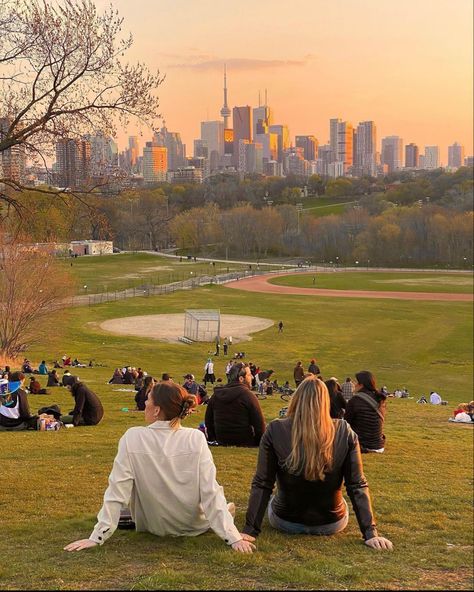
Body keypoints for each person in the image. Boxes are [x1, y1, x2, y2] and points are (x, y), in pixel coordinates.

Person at [64, 382, 255, 554]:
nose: (145, 403)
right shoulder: (195, 438)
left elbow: (117, 491)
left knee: (225, 506)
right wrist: (233, 535)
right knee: (227, 506)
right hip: (192, 526)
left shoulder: (133, 437)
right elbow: (210, 492)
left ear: (157, 410)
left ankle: (224, 520)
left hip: (154, 526)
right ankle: (224, 519)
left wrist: (97, 537)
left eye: (148, 399)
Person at [241, 376, 393, 551]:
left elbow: (263, 482)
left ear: (296, 399)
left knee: (275, 496)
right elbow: (357, 484)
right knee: (339, 498)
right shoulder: (344, 430)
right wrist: (370, 532)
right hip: (331, 523)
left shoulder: (276, 429)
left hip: (285, 521)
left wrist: (250, 530)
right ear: (326, 401)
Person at [205, 362, 266, 447]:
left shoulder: (216, 395)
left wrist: (213, 439)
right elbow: (260, 425)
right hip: (246, 442)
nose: (252, 377)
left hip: (221, 440)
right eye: (249, 375)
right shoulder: (248, 396)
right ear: (241, 378)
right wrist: (258, 443)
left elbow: (208, 421)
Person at [345, 371, 387, 453]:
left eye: (356, 381)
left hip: (362, 445)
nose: (354, 384)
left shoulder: (355, 400)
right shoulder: (380, 399)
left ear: (362, 384)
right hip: (379, 445)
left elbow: (347, 423)